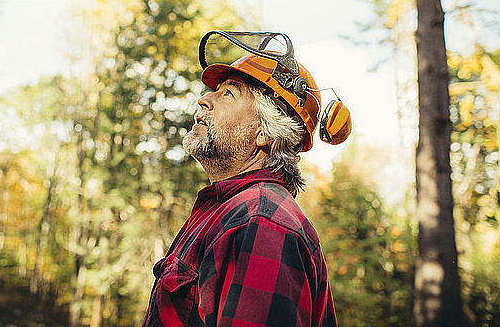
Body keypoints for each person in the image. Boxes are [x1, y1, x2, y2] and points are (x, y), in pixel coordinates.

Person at [142, 31, 350, 327]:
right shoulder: (231, 211)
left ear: (265, 132)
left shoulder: (261, 223)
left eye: (229, 92)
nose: (204, 100)